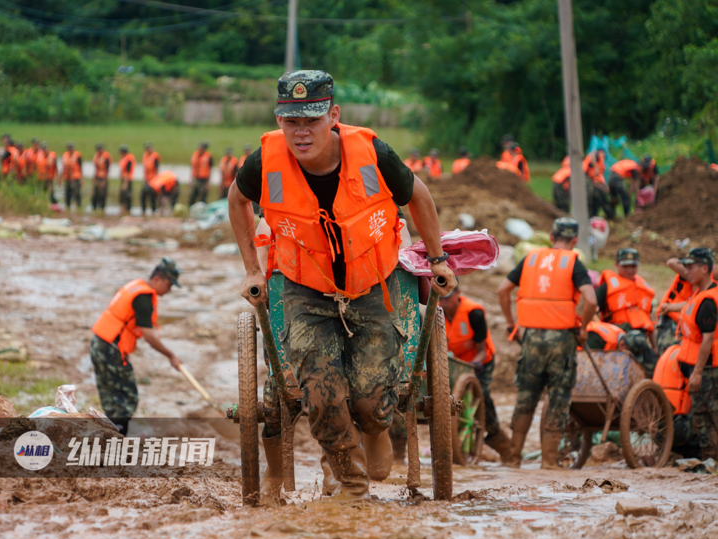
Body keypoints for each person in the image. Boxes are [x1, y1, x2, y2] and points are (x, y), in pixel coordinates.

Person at [228, 70, 456, 503]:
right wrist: (253, 272)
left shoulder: (372, 153)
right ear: (280, 121)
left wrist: (438, 258)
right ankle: (351, 486)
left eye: (311, 121)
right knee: (319, 394)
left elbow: (419, 196)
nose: (300, 133)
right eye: (290, 121)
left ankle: (374, 429)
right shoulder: (264, 161)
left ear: (333, 116)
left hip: (372, 282)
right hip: (305, 288)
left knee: (371, 397)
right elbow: (236, 201)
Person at [497, 217, 598, 468]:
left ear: (551, 237)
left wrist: (512, 323)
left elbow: (502, 290)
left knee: (526, 396)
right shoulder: (574, 262)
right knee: (558, 396)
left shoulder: (531, 258)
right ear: (574, 241)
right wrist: (583, 328)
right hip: (561, 339)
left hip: (531, 337)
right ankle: (548, 462)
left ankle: (514, 457)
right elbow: (591, 300)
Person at [90, 258, 184, 435]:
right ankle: (117, 436)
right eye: (169, 285)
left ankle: (111, 436)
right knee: (127, 397)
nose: (169, 290)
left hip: (99, 343)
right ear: (158, 279)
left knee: (110, 395)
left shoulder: (136, 286)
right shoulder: (143, 297)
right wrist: (171, 355)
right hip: (111, 349)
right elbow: (149, 336)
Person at [439, 286, 510, 460]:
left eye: (447, 298)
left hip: (479, 360)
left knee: (482, 393)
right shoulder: (436, 313)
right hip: (454, 362)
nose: (444, 302)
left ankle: (494, 432)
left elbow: (482, 350)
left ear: (457, 293)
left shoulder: (474, 313)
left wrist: (473, 365)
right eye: (441, 298)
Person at [671, 248, 718, 459]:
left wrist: (697, 372)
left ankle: (713, 458)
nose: (687, 271)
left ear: (705, 268)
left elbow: (708, 338)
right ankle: (710, 459)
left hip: (708, 368)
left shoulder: (708, 301)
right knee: (700, 415)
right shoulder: (698, 294)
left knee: (712, 414)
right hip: (697, 364)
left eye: (691, 267)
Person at [597, 248, 656, 349]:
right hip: (617, 338)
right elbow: (592, 311)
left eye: (633, 266)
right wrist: (603, 332)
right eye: (625, 266)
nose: (629, 270)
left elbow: (648, 319)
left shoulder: (644, 289)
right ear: (616, 265)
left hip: (640, 339)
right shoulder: (607, 287)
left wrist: (654, 347)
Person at [656, 258, 695, 354]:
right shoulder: (698, 275)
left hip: (687, 325)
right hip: (674, 322)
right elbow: (671, 262)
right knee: (670, 355)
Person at [140, 142, 161, 214]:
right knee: (143, 195)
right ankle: (143, 211)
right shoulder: (145, 156)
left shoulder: (155, 156)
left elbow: (157, 169)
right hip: (147, 180)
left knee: (153, 197)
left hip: (153, 180)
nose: (148, 149)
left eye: (149, 147)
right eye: (146, 148)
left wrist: (156, 181)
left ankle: (154, 211)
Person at [61, 141, 83, 211]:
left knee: (76, 193)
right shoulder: (65, 155)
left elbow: (81, 167)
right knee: (67, 193)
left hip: (75, 177)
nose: (70, 149)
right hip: (67, 177)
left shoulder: (77, 155)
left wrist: (82, 178)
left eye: (71, 147)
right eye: (69, 147)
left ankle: (78, 206)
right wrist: (60, 177)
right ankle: (67, 207)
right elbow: (63, 167)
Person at [92, 143, 111, 212]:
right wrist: (94, 177)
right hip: (97, 177)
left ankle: (102, 208)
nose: (99, 150)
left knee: (102, 194)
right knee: (95, 193)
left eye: (100, 148)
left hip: (103, 178)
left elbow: (107, 169)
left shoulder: (106, 157)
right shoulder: (96, 156)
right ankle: (94, 208)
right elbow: (95, 168)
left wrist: (104, 181)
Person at [118, 144, 136, 213]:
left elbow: (128, 172)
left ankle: (127, 209)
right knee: (122, 194)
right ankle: (123, 208)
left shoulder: (128, 159)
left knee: (127, 194)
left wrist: (125, 183)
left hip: (127, 179)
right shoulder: (123, 158)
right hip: (124, 179)